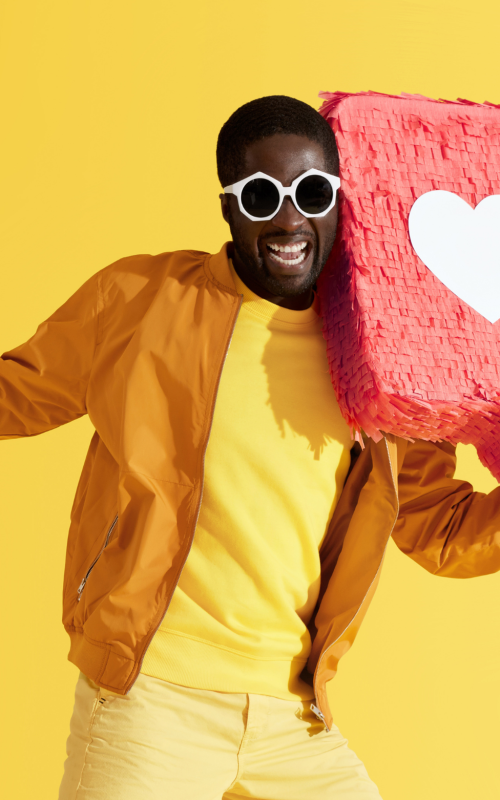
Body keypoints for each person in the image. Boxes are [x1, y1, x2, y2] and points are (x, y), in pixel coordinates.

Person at [2, 96, 500, 800]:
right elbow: (16, 393)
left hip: (293, 717)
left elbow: (440, 529)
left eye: (313, 193)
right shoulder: (144, 301)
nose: (290, 219)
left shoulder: (381, 359)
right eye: (263, 196)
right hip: (152, 701)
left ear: (342, 201)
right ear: (230, 207)